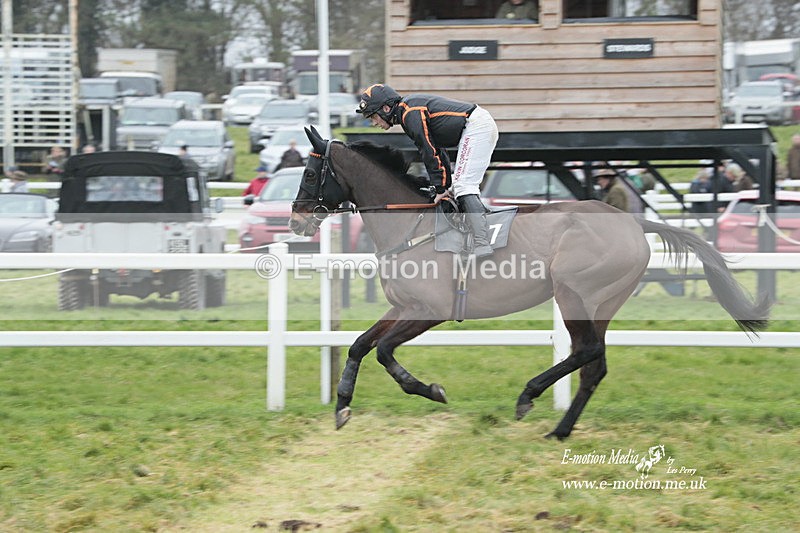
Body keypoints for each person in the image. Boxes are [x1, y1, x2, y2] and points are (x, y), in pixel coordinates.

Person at [356, 83, 498, 258]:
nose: (373, 123)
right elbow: (438, 151)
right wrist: (444, 187)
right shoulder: (407, 111)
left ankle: (482, 243)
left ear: (386, 108)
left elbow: (428, 151)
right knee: (456, 186)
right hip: (476, 126)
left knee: (464, 186)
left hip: (476, 126)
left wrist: (440, 189)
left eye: (373, 117)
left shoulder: (409, 113)